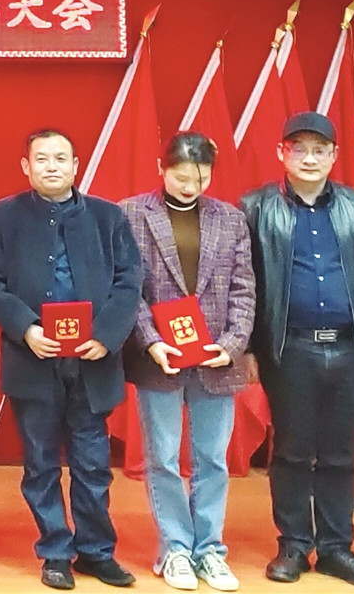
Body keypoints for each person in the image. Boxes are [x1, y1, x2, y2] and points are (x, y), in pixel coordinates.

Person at [0, 128, 142, 591]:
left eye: (61, 158)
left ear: (75, 165)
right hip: (33, 359)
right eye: (42, 158)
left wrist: (106, 336)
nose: (52, 166)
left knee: (92, 463)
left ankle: (97, 552)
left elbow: (129, 280)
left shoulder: (108, 216)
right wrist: (26, 327)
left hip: (92, 361)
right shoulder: (5, 215)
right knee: (41, 464)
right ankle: (54, 552)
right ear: (26, 166)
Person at [242, 111, 354, 589]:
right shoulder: (255, 208)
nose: (309, 159)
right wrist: (248, 348)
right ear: (281, 153)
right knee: (291, 451)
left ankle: (335, 548)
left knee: (340, 454)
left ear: (334, 155)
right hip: (290, 350)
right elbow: (244, 284)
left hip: (353, 350)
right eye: (299, 149)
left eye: (319, 150)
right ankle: (293, 544)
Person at [117, 132, 256, 593]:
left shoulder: (230, 219)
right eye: (180, 176)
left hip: (216, 357)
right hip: (160, 357)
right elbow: (128, 287)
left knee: (212, 458)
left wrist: (232, 344)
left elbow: (244, 288)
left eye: (200, 177)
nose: (190, 185)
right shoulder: (132, 213)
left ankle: (210, 550)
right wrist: (151, 341)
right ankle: (175, 547)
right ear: (161, 168)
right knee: (162, 457)